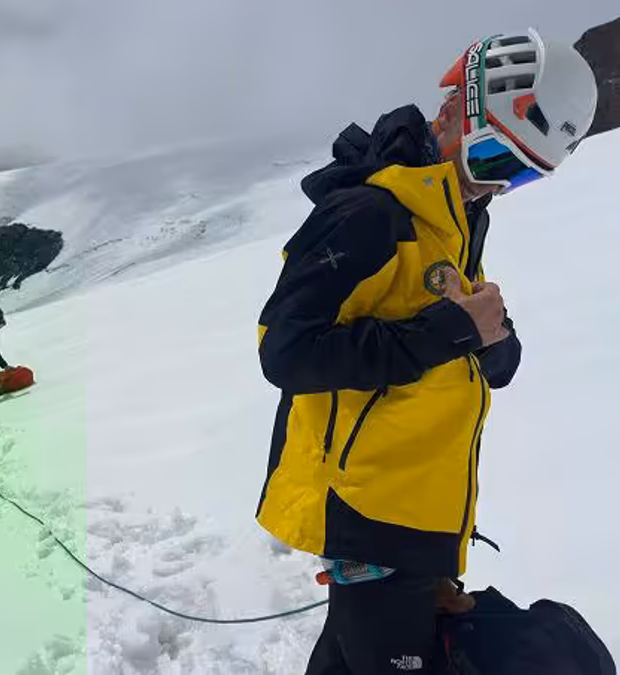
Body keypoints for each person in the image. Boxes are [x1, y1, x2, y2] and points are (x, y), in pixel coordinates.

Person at [253, 29, 597, 675]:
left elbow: (453, 338)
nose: (497, 188)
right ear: (453, 112)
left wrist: (493, 343)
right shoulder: (368, 214)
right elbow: (288, 353)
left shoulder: (458, 217)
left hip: (427, 506)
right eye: (497, 161)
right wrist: (453, 331)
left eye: (521, 175)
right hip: (369, 508)